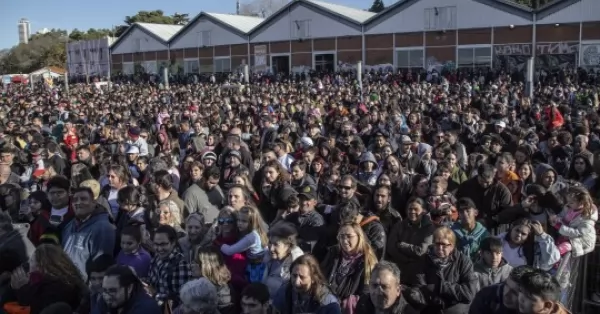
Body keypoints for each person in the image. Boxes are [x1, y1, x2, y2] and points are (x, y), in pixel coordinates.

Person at [416, 226, 478, 314]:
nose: (440, 248)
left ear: (452, 246)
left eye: (444, 245)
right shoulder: (424, 260)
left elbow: (469, 293)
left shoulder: (463, 262)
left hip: (456, 310)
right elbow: (420, 286)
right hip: (432, 309)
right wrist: (434, 298)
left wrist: (441, 287)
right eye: (437, 244)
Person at [10, 244, 87, 314]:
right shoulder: (66, 279)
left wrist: (22, 288)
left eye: (32, 261)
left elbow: (35, 309)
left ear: (42, 265)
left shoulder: (58, 289)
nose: (29, 264)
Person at [321, 223, 378, 313]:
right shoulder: (333, 252)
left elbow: (367, 293)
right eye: (341, 236)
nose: (344, 240)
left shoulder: (368, 261)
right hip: (326, 302)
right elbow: (321, 275)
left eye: (349, 236)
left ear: (359, 237)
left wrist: (349, 302)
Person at [62, 187, 115, 280]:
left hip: (84, 287)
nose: (78, 202)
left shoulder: (103, 228)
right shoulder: (69, 224)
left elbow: (101, 265)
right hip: (66, 282)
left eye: (83, 199)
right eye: (75, 200)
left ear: (94, 203)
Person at [386, 197, 435, 286]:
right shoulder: (399, 225)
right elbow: (391, 247)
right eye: (410, 209)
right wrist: (407, 259)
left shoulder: (429, 228)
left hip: (418, 273)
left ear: (423, 211)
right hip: (399, 270)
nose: (412, 212)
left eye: (416, 209)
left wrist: (402, 245)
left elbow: (421, 251)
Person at [273, 254, 341, 314]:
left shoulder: (328, 303)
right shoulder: (285, 291)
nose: (297, 282)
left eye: (302, 277)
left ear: (313, 279)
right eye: (294, 276)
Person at [147, 225, 193, 309]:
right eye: (156, 244)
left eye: (163, 244)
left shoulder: (181, 264)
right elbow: (151, 283)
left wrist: (154, 295)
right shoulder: (155, 259)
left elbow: (180, 299)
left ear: (173, 243)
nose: (159, 249)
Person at [355, 261, 421, 314]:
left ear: (398, 290)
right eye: (374, 285)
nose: (378, 292)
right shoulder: (363, 303)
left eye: (384, 286)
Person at [93, 265, 161, 314]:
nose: (107, 296)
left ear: (129, 288)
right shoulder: (106, 298)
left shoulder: (147, 308)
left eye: (113, 291)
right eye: (104, 290)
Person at [469, 265, 536, 314]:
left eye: (514, 293)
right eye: (506, 285)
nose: (506, 294)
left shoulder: (537, 307)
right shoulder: (486, 296)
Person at [262, 223, 304, 297]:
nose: (271, 248)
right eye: (270, 243)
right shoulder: (265, 256)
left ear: (288, 246)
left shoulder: (296, 265)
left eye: (276, 245)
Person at [191, 247, 236, 314]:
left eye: (196, 262)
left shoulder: (222, 294)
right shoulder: (199, 285)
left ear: (206, 267)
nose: (191, 265)